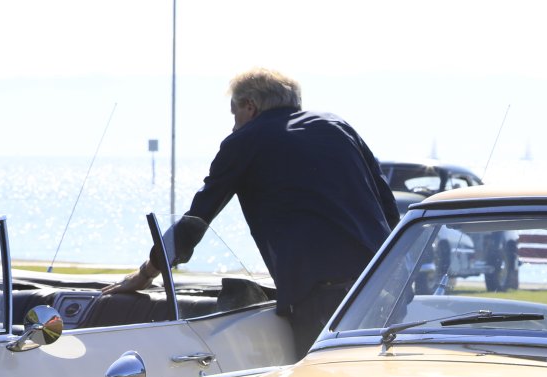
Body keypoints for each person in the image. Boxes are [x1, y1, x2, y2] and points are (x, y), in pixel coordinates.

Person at [104, 68, 398, 351]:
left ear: (250, 106)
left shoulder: (244, 142)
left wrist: (148, 271)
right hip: (381, 282)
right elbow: (386, 203)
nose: (233, 125)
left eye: (234, 114)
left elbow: (197, 219)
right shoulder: (337, 125)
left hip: (321, 294)